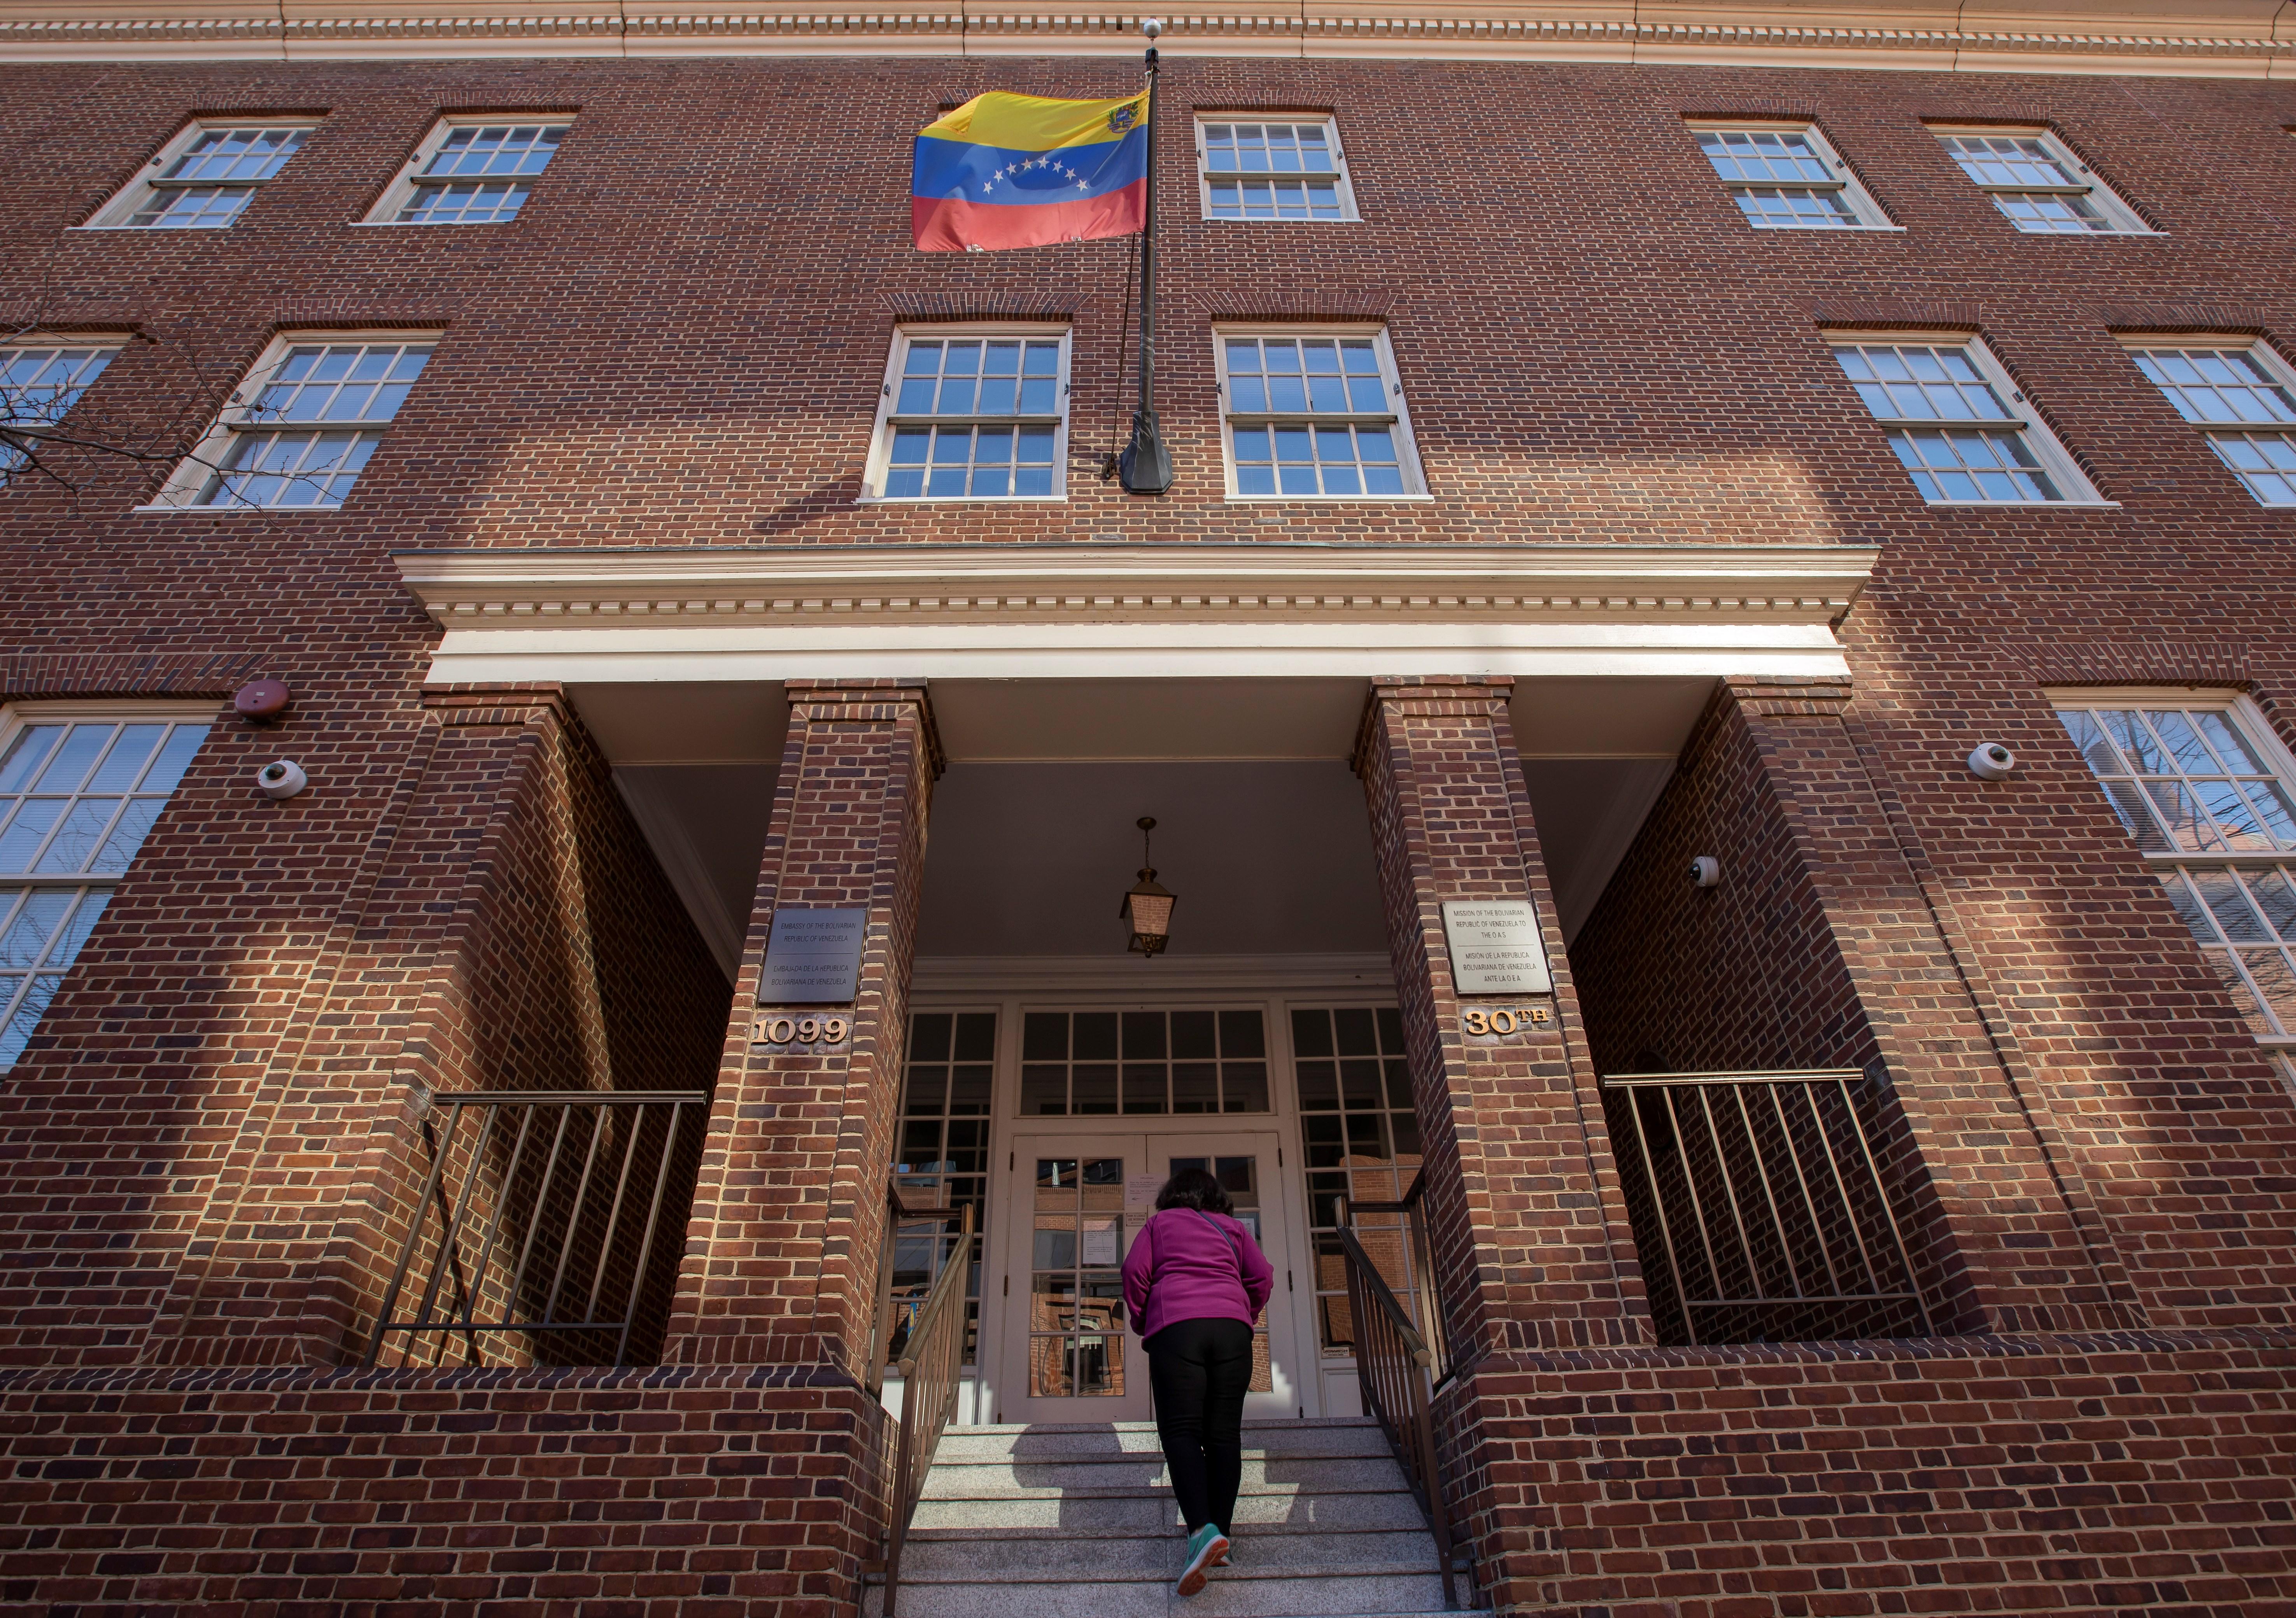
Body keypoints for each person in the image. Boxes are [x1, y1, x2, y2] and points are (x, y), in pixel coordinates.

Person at [1120, 1165, 1276, 1598]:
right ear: (1215, 1197)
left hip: (1177, 1326)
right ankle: (1219, 1536)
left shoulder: (1159, 1225)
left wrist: (1141, 1319)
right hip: (1232, 1331)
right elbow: (1261, 1278)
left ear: (1174, 1195)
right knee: (1224, 1436)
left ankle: (1200, 1531)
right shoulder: (1233, 1229)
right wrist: (1246, 1312)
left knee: (1181, 1431)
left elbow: (1134, 1273)